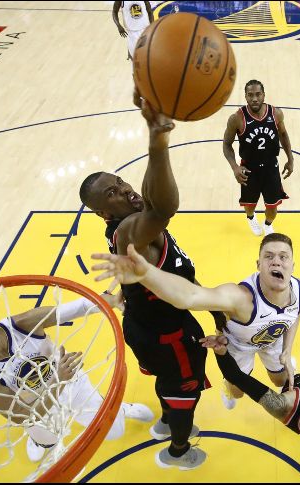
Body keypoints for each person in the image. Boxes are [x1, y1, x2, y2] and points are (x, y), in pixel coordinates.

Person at [79, 92, 221, 470]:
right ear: (102, 212)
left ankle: (163, 420)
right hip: (169, 336)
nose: (126, 190)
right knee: (184, 395)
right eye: (113, 193)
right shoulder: (129, 231)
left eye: (121, 181)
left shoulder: (127, 226)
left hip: (147, 327)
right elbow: (165, 207)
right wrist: (157, 140)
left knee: (167, 384)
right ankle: (178, 450)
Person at [93, 232, 300, 410]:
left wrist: (287, 348)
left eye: (283, 257)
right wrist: (147, 274)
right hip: (238, 346)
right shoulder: (240, 298)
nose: (277, 262)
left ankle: (278, 359)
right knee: (238, 393)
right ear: (258, 264)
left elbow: (294, 313)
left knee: (280, 381)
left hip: (272, 341)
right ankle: (228, 386)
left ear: (293, 265)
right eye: (269, 256)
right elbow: (190, 296)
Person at [0, 298, 154, 463]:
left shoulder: (21, 324)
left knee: (115, 432)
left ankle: (120, 409)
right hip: (33, 407)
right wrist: (56, 381)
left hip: (70, 381)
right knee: (48, 442)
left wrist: (108, 299)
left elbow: (75, 308)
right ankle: (37, 438)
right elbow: (22, 415)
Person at [223, 80, 294, 236]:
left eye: (257, 94)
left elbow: (283, 134)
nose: (254, 98)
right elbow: (227, 145)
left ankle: (268, 225)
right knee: (249, 204)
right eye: (250, 95)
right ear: (246, 97)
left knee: (272, 206)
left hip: (271, 167)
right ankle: (251, 217)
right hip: (249, 168)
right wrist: (235, 167)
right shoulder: (237, 118)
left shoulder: (276, 113)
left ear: (263, 95)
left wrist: (290, 159)